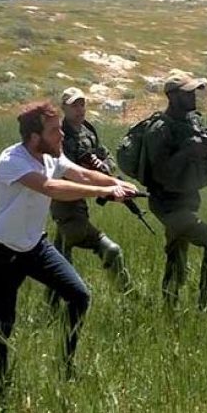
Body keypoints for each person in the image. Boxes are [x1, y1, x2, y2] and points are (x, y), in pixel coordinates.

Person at [0, 101, 136, 397]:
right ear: (34, 137)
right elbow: (50, 188)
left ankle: (66, 365)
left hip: (35, 246)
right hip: (2, 252)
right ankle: (1, 389)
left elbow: (81, 175)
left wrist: (117, 183)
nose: (61, 134)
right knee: (1, 326)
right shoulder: (12, 160)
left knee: (79, 296)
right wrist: (104, 191)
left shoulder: (52, 156)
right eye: (54, 130)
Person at [141, 73, 207, 312]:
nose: (193, 96)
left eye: (194, 92)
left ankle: (169, 311)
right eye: (187, 93)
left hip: (189, 201)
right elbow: (161, 174)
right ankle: (206, 301)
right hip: (168, 205)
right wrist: (188, 152)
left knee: (176, 259)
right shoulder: (160, 130)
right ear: (172, 96)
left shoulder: (193, 123)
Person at [48, 87, 131, 307]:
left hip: (79, 202)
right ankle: (128, 296)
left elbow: (106, 156)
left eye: (82, 104)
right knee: (109, 250)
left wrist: (104, 167)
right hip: (64, 201)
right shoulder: (58, 134)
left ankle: (52, 305)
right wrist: (98, 184)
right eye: (74, 105)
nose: (79, 109)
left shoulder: (88, 131)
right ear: (64, 108)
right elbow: (59, 170)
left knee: (60, 256)